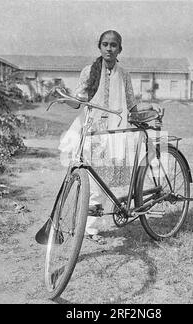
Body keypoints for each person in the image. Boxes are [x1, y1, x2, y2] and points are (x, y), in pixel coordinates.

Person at [58, 30, 138, 245]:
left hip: (114, 132)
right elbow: (78, 101)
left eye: (113, 45)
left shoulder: (124, 74)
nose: (109, 48)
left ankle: (90, 228)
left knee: (102, 182)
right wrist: (65, 99)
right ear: (99, 47)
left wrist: (141, 116)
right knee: (90, 179)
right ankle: (89, 227)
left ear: (120, 48)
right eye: (105, 44)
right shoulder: (89, 71)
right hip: (92, 130)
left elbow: (131, 104)